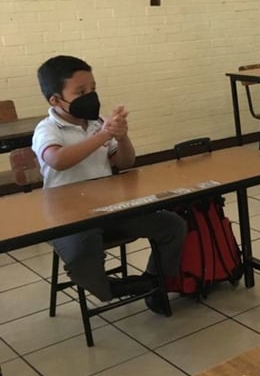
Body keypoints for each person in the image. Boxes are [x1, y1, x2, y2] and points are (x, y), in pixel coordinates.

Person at [32, 55, 186, 312]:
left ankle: (153, 281)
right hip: (67, 216)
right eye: (80, 92)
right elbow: (57, 160)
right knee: (82, 251)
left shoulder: (98, 122)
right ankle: (109, 290)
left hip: (109, 207)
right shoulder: (48, 129)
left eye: (93, 88)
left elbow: (125, 162)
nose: (90, 96)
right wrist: (104, 135)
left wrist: (121, 137)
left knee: (172, 225)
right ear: (55, 100)